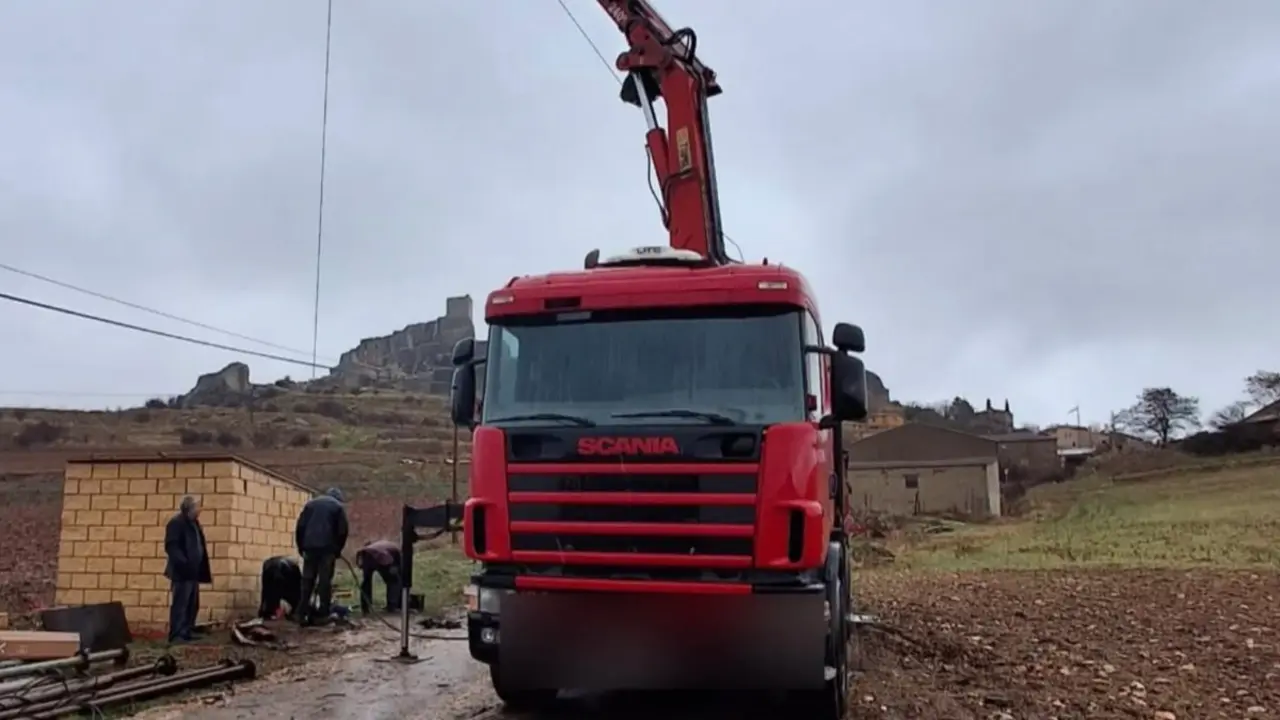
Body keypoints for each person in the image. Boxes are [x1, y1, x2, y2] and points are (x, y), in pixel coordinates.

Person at [294, 487, 349, 625]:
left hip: (309, 547)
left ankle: (301, 613)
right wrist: (337, 549)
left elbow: (300, 527)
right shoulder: (338, 507)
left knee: (307, 581)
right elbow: (343, 531)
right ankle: (323, 614)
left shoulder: (310, 504)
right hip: (327, 549)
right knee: (324, 582)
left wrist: (301, 547)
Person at [163, 495, 211, 644]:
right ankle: (177, 634)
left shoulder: (194, 523)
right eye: (197, 506)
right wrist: (184, 563)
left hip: (193, 572)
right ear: (189, 508)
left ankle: (188, 630)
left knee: (192, 604)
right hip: (182, 573)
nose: (200, 510)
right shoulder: (176, 523)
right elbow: (172, 547)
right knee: (180, 604)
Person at [355, 539, 402, 614]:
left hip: (369, 555)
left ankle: (365, 607)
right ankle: (392, 606)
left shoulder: (371, 547)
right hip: (381, 556)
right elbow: (394, 566)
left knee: (366, 582)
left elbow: (359, 554)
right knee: (393, 581)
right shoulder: (395, 551)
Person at [258, 556, 302, 620]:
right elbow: (297, 592)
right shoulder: (294, 570)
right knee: (274, 591)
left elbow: (266, 591)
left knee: (268, 591)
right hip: (283, 570)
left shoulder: (292, 567)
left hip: (271, 567)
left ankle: (266, 612)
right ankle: (292, 613)